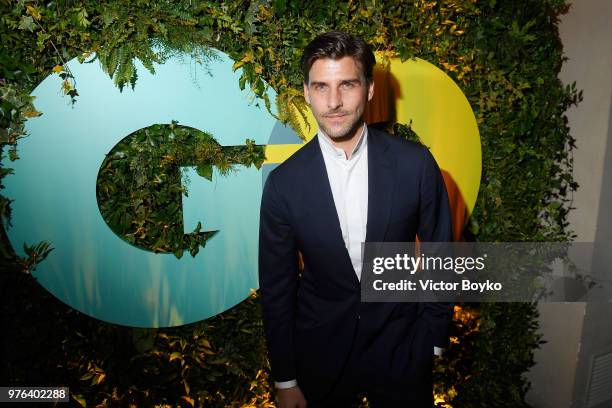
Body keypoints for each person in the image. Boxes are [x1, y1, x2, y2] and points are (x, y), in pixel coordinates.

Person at [258, 31, 453, 408]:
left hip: (402, 352)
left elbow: (440, 253)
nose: (333, 102)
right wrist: (285, 379)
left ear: (368, 89)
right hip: (319, 357)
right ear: (307, 92)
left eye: (347, 84)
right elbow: (277, 289)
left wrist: (433, 338)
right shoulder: (283, 184)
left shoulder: (415, 165)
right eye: (321, 87)